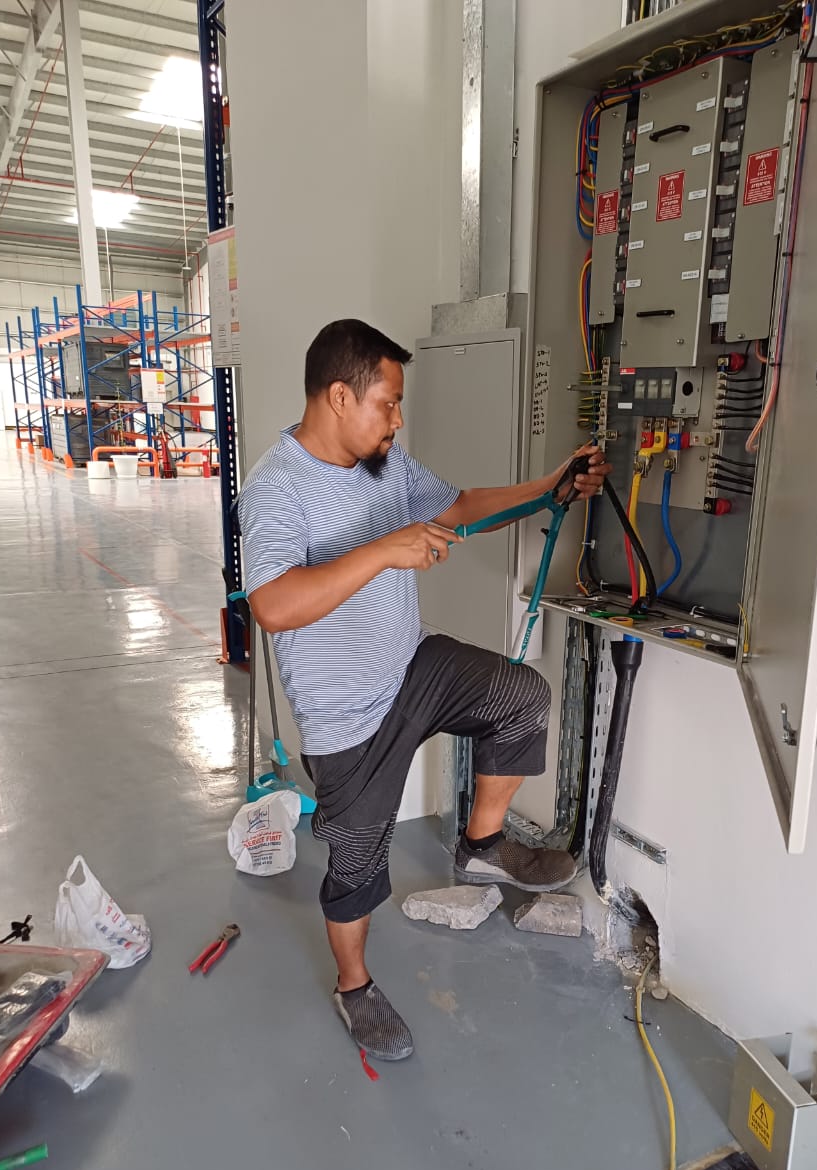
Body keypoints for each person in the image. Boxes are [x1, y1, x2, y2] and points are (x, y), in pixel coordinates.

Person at [238, 319, 610, 1061]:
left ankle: (482, 845)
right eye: (388, 402)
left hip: (413, 664)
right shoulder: (275, 487)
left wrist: (550, 487)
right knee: (356, 865)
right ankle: (354, 987)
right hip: (347, 716)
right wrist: (384, 551)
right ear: (339, 397)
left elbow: (458, 505)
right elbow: (274, 605)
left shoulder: (385, 464)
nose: (397, 419)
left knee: (520, 697)